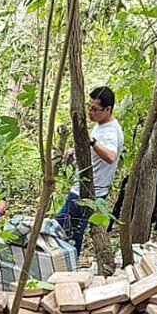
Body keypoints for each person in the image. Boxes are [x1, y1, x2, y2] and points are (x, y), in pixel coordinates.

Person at [56, 86, 124, 255]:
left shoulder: (110, 131)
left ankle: (67, 268)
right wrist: (75, 150)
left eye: (95, 109)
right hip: (84, 186)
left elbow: (110, 156)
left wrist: (92, 142)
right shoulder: (100, 125)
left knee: (64, 229)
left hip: (88, 190)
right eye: (89, 107)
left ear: (108, 109)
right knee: (71, 231)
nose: (91, 112)